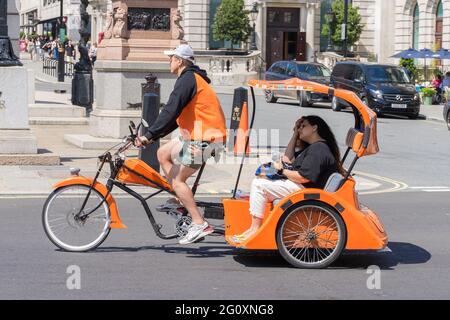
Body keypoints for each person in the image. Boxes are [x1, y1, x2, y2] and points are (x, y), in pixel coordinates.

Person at [135, 44, 227, 245]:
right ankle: (179, 200)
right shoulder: (189, 78)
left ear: (180, 61)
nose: (169, 61)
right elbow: (174, 118)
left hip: (207, 139)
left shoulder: (187, 79)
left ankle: (199, 222)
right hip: (195, 135)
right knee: (162, 153)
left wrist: (148, 135)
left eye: (172, 58)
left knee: (178, 180)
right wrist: (150, 137)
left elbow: (169, 111)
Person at [232, 116, 345, 242]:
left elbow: (303, 177)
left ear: (314, 128)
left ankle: (255, 228)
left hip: (306, 191)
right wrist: (296, 133)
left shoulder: (318, 149)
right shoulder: (313, 147)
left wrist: (281, 171)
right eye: (299, 127)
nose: (300, 129)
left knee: (258, 185)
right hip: (303, 188)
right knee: (261, 179)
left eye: (303, 126)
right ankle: (256, 224)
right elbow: (287, 158)